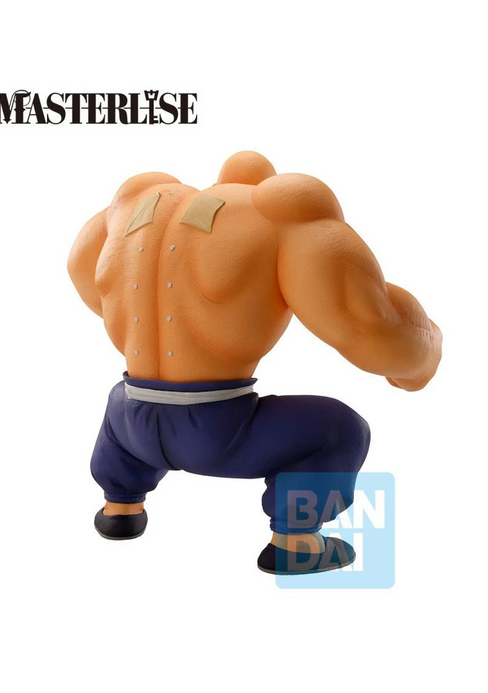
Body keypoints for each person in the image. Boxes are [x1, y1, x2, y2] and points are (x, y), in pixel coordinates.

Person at [68, 151, 442, 574]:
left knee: (121, 396)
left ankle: (119, 508)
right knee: (341, 429)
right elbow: (367, 325)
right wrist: (422, 356)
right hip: (217, 434)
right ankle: (296, 543)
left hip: (130, 422)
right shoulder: (278, 211)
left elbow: (83, 272)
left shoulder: (138, 199)